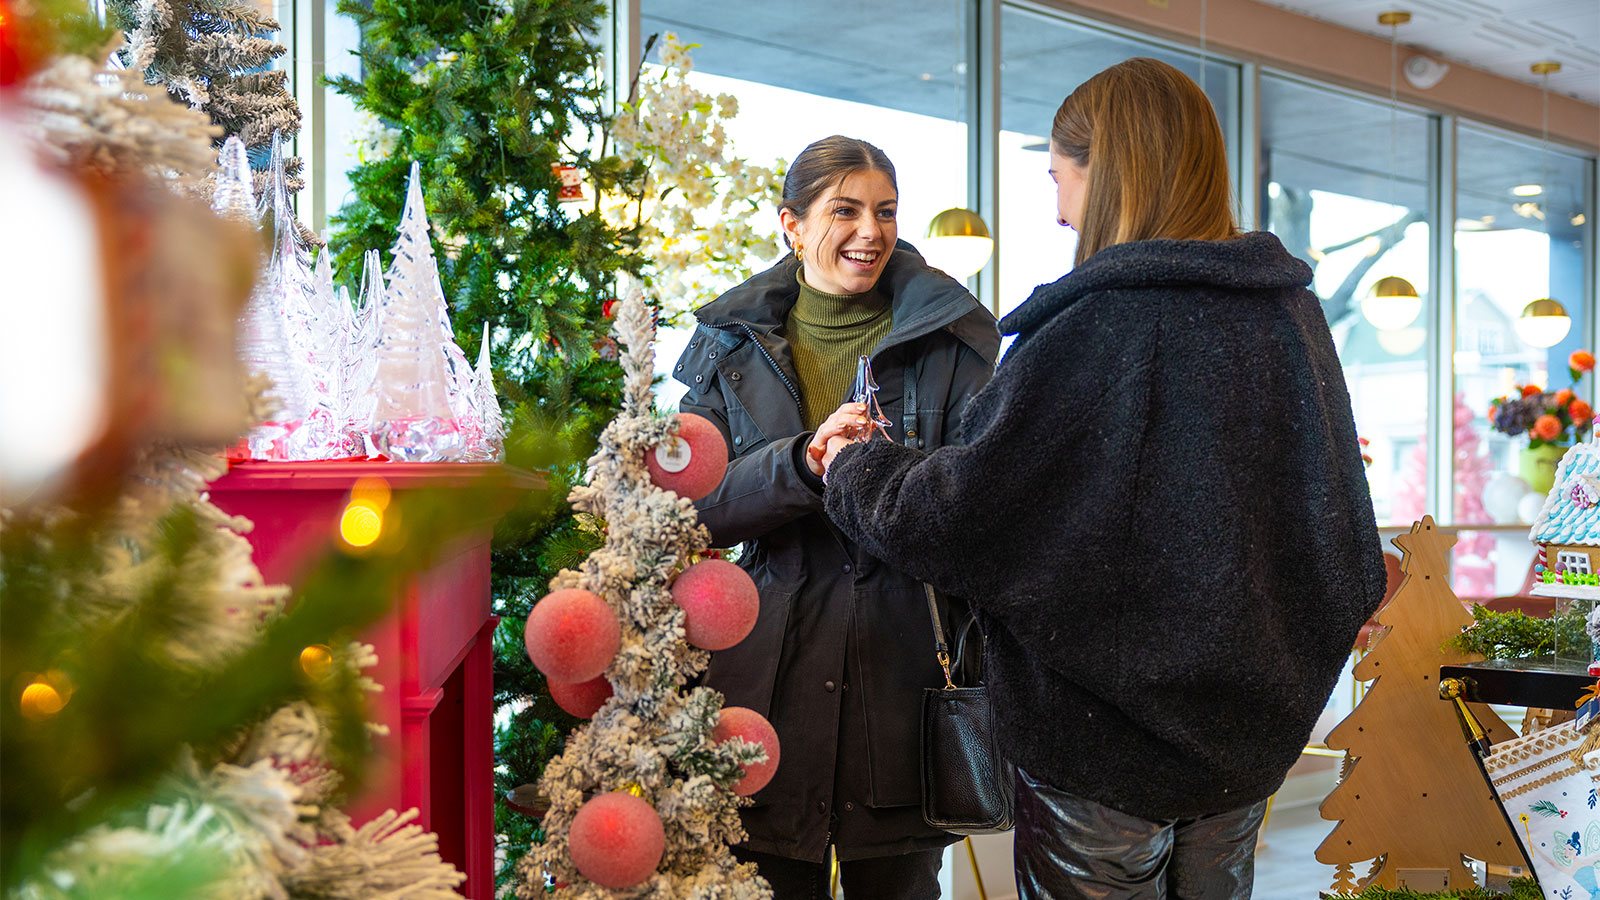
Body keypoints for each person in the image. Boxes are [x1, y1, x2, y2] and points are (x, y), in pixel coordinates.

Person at [819, 59, 1386, 900]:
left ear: (1109, 168)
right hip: (1245, 753)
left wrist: (855, 466)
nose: (1056, 208)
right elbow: (1343, 540)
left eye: (1061, 177)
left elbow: (966, 519)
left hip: (1100, 752)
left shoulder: (1097, 323)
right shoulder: (1287, 317)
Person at [671, 135, 1000, 899]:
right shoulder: (729, 346)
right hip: (762, 686)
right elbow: (690, 509)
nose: (871, 232)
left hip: (905, 675)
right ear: (791, 224)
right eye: (844, 210)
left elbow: (980, 502)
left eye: (885, 211)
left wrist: (880, 475)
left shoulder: (951, 343)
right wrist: (800, 464)